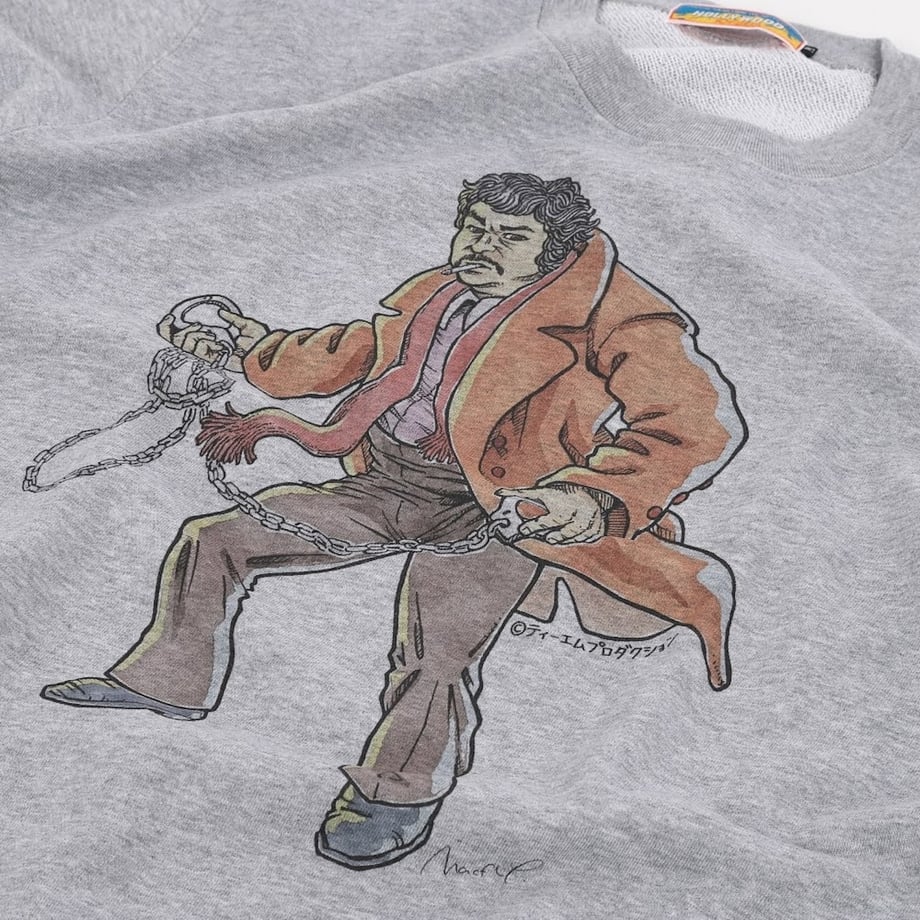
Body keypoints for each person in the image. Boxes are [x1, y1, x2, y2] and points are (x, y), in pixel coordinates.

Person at [41, 172, 747, 870]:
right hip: (389, 482)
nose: (481, 246)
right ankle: (166, 682)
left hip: (505, 508)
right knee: (214, 539)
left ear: (555, 249)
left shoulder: (625, 315)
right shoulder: (441, 291)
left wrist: (591, 496)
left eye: (510, 236)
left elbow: (696, 422)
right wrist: (244, 345)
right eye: (474, 228)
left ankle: (395, 797)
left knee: (435, 652)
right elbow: (355, 350)